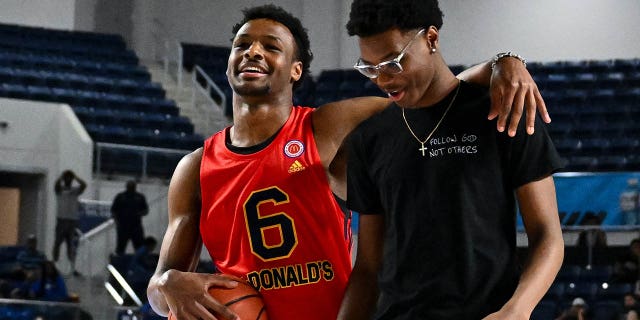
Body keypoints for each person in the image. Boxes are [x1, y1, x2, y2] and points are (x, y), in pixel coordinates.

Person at [147, 4, 550, 320]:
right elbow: (156, 290)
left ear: (296, 70)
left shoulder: (329, 125)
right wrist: (167, 283)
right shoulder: (194, 169)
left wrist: (503, 64)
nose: (253, 51)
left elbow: (433, 94)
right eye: (242, 44)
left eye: (271, 46)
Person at [338, 1, 565, 319]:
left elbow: (548, 236)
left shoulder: (501, 110)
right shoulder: (369, 138)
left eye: (392, 63)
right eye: (370, 68)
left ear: (431, 39)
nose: (382, 80)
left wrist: (517, 309)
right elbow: (368, 268)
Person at [52, 170, 86, 276]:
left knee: (70, 245)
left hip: (72, 220)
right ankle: (54, 265)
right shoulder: (60, 190)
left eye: (70, 178)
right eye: (67, 178)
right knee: (57, 243)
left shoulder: (75, 190)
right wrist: (61, 176)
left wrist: (75, 176)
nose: (68, 180)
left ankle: (72, 267)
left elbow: (84, 185)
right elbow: (56, 185)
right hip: (61, 219)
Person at [111, 180, 149, 255]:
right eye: (129, 186)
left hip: (136, 227)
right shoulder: (120, 197)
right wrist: (117, 222)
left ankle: (140, 264)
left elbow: (146, 210)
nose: (131, 188)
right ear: (126, 187)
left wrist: (139, 213)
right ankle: (119, 264)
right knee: (120, 248)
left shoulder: (140, 197)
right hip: (123, 227)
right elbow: (113, 210)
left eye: (132, 187)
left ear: (135, 187)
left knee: (140, 248)